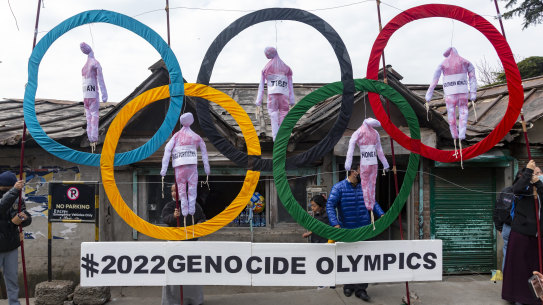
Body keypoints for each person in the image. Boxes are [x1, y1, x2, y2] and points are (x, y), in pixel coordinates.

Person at [326, 164, 385, 302]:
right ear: (353, 172)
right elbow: (330, 205)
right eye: (361, 171)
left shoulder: (365, 186)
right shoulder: (339, 187)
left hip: (364, 230)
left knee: (364, 261)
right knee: (348, 259)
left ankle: (361, 289)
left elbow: (373, 202)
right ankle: (348, 285)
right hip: (347, 230)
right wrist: (335, 223)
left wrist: (382, 215)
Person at [502, 160, 543, 305]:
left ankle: (536, 297)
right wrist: (528, 172)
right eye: (535, 172)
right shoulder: (524, 188)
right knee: (519, 269)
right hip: (521, 234)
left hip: (537, 237)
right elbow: (516, 189)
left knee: (536, 270)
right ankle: (519, 298)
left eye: (539, 172)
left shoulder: (540, 188)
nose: (537, 174)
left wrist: (538, 183)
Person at [161, 184, 206, 305]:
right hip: (174, 244)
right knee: (173, 274)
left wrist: (199, 225)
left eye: (177, 190)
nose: (174, 193)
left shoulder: (194, 205)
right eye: (172, 191)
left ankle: (194, 300)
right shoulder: (170, 206)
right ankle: (172, 301)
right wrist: (173, 216)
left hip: (191, 244)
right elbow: (165, 219)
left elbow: (202, 218)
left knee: (192, 273)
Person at [0, 171, 31, 305]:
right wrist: (12, 222)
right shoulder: (13, 194)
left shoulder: (18, 198)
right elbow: (1, 207)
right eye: (6, 188)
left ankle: (14, 303)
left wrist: (24, 218)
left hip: (11, 245)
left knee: (12, 278)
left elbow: (25, 214)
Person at [493, 171, 522, 271]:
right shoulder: (526, 192)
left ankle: (507, 279)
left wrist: (499, 226)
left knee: (507, 252)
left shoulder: (505, 190)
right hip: (517, 228)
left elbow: (497, 209)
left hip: (506, 227)